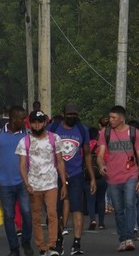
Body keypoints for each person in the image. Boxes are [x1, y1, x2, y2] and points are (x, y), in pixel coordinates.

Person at [0, 105, 34, 256]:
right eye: (22, 118)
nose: (25, 121)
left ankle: (26, 241)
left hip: (24, 182)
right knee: (9, 216)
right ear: (13, 119)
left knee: (26, 213)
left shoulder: (27, 134)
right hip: (5, 183)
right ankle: (14, 248)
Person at [97, 105, 139, 253]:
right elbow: (100, 155)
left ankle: (130, 237)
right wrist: (101, 165)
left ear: (121, 118)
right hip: (113, 177)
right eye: (110, 117)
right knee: (118, 209)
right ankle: (122, 239)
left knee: (130, 203)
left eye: (113, 118)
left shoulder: (134, 132)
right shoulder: (104, 133)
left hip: (131, 174)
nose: (110, 120)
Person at [18, 110, 68, 256]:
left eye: (40, 121)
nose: (37, 125)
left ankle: (52, 245)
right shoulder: (24, 141)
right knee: (36, 216)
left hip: (51, 183)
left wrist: (64, 183)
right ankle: (41, 246)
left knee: (52, 214)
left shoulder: (54, 138)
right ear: (30, 123)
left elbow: (60, 161)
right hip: (33, 184)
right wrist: (26, 183)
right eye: (34, 122)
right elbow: (21, 165)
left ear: (45, 122)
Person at [48, 102, 93, 256]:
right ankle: (58, 240)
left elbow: (87, 155)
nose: (72, 117)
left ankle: (76, 243)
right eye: (69, 115)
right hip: (55, 175)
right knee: (55, 211)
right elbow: (47, 151)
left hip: (76, 174)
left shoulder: (82, 130)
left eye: (75, 115)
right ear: (63, 114)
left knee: (77, 208)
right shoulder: (53, 128)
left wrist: (92, 177)